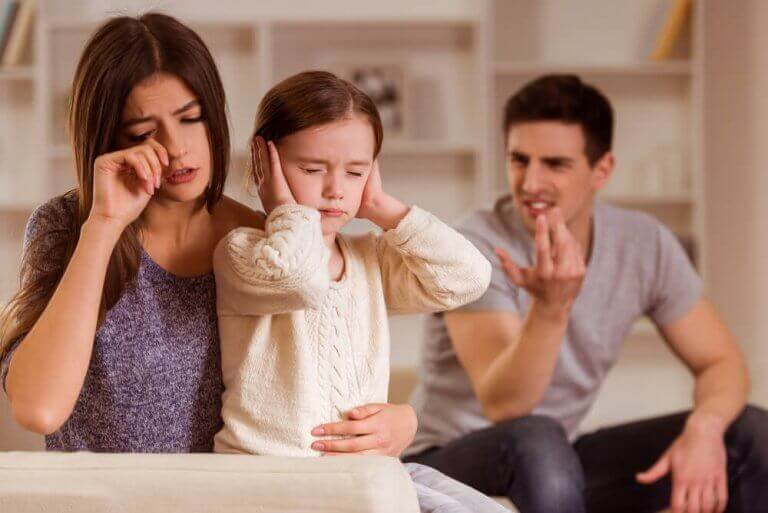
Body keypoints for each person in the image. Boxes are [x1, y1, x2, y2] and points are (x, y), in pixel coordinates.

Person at [0, 13, 416, 458]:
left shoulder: (265, 248)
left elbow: (327, 379)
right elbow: (39, 410)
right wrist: (103, 226)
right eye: (143, 131)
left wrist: (404, 422)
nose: (176, 147)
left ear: (214, 114)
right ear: (108, 140)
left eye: (191, 118)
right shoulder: (69, 227)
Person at [404, 74, 768, 513]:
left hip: (556, 461)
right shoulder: (472, 245)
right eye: (520, 160)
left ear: (602, 170)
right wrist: (550, 309)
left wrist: (705, 428)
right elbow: (506, 405)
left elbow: (721, 362)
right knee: (537, 438)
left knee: (748, 433)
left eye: (555, 164)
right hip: (448, 460)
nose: (531, 182)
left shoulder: (644, 244)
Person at [212, 70, 507, 513]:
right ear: (263, 161)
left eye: (355, 171)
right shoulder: (245, 252)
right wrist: (287, 211)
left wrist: (385, 210)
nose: (335, 189)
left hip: (364, 472)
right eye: (312, 169)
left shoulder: (369, 258)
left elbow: (467, 278)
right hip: (279, 482)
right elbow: (299, 279)